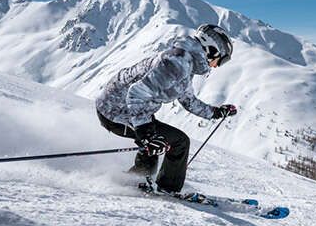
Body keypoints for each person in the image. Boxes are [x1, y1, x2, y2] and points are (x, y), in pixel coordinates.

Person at [95, 24, 237, 194]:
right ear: (212, 50)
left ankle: (133, 181)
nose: (216, 66)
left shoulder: (185, 61)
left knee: (155, 144)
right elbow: (136, 93)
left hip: (124, 109)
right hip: (116, 111)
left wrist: (215, 112)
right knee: (178, 142)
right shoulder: (177, 63)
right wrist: (145, 133)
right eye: (222, 60)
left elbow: (188, 99)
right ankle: (167, 189)